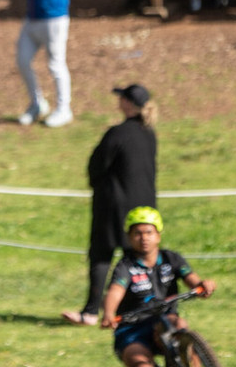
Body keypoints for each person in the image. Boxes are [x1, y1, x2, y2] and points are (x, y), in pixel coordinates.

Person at [63, 84, 157, 327]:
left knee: (101, 255)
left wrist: (97, 184)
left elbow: (96, 165)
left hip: (113, 205)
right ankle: (140, 310)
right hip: (144, 207)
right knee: (136, 260)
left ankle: (91, 312)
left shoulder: (118, 133)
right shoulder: (149, 133)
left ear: (127, 103)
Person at [101, 207, 216, 367]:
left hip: (165, 321)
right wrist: (108, 313)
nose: (144, 238)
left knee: (181, 330)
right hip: (132, 329)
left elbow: (193, 281)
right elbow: (115, 291)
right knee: (140, 363)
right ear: (129, 237)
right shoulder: (125, 266)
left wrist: (203, 286)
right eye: (137, 233)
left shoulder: (172, 258)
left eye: (149, 232)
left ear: (158, 236)